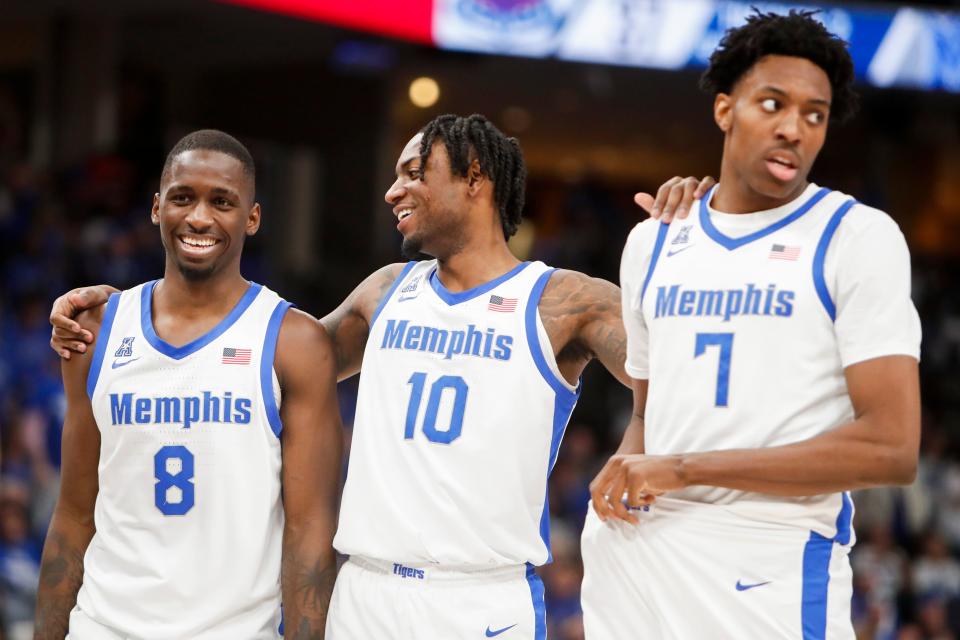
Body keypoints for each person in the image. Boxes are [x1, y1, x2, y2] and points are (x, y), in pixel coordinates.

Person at [48, 114, 711, 638]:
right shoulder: (385, 291)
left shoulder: (563, 300)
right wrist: (124, 317)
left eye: (415, 172)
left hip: (482, 597)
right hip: (361, 594)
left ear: (475, 177)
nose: (394, 190)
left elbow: (687, 378)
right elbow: (246, 357)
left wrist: (689, 249)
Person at [581, 10, 922, 639]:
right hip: (635, 556)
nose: (793, 128)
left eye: (814, 115)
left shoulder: (857, 237)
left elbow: (892, 449)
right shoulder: (652, 241)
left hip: (767, 560)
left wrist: (684, 469)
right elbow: (647, 415)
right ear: (724, 110)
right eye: (772, 104)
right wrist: (623, 478)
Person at [34, 130, 343, 639]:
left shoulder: (295, 340)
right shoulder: (96, 331)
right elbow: (72, 513)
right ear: (157, 208)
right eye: (183, 198)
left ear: (252, 218)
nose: (199, 217)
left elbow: (310, 533)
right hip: (104, 627)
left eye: (221, 202)